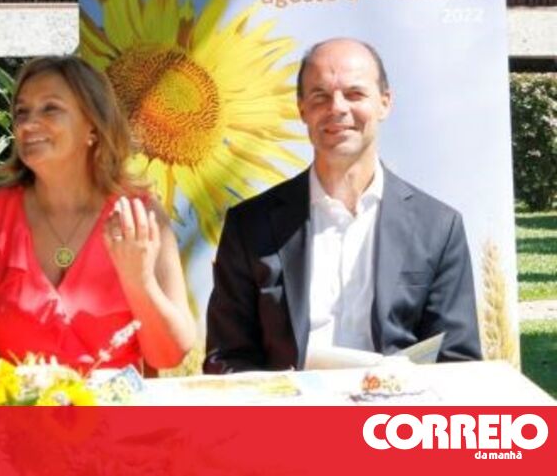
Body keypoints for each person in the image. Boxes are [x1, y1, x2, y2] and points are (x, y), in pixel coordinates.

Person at [204, 38, 481, 373]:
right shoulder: (250, 225)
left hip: (395, 406)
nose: (337, 108)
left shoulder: (437, 227)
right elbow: (226, 358)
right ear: (302, 109)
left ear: (384, 103)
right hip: (287, 406)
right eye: (320, 96)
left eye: (354, 94)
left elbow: (457, 363)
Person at [0, 56, 195, 372]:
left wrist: (140, 283)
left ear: (92, 126)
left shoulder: (140, 216)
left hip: (114, 404)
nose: (28, 124)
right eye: (21, 112)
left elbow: (170, 355)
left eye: (50, 108)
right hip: (15, 402)